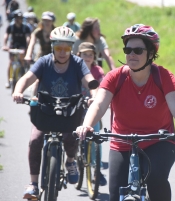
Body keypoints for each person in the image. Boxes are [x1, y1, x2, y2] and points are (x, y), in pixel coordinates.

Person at [75, 24, 175, 201]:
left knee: (156, 180)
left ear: (150, 53)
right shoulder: (115, 77)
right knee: (116, 195)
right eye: (128, 49)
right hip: (123, 142)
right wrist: (86, 125)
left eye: (138, 50)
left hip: (159, 141)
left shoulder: (163, 76)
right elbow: (99, 104)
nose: (132, 54)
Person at [12, 26, 97, 199]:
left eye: (67, 48)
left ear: (72, 49)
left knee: (71, 137)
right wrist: (18, 91)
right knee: (35, 140)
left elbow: (89, 81)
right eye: (59, 48)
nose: (63, 52)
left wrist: (94, 95)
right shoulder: (44, 62)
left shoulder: (78, 63)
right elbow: (27, 78)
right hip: (45, 109)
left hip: (70, 110)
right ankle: (33, 184)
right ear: (53, 47)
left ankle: (71, 161)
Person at [77, 42, 107, 186]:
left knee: (96, 136)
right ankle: (72, 158)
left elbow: (102, 86)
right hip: (75, 106)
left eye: (90, 54)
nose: (88, 57)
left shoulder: (97, 70)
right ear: (79, 55)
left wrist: (96, 98)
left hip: (91, 106)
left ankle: (97, 170)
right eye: (85, 54)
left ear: (94, 56)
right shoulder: (74, 69)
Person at [2, 9, 30, 88]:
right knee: (10, 62)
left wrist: (27, 47)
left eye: (20, 18)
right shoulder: (11, 27)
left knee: (22, 62)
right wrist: (5, 45)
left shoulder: (25, 27)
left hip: (22, 47)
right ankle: (8, 81)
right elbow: (6, 36)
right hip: (13, 47)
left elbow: (28, 38)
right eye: (17, 18)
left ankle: (23, 75)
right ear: (15, 18)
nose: (19, 19)